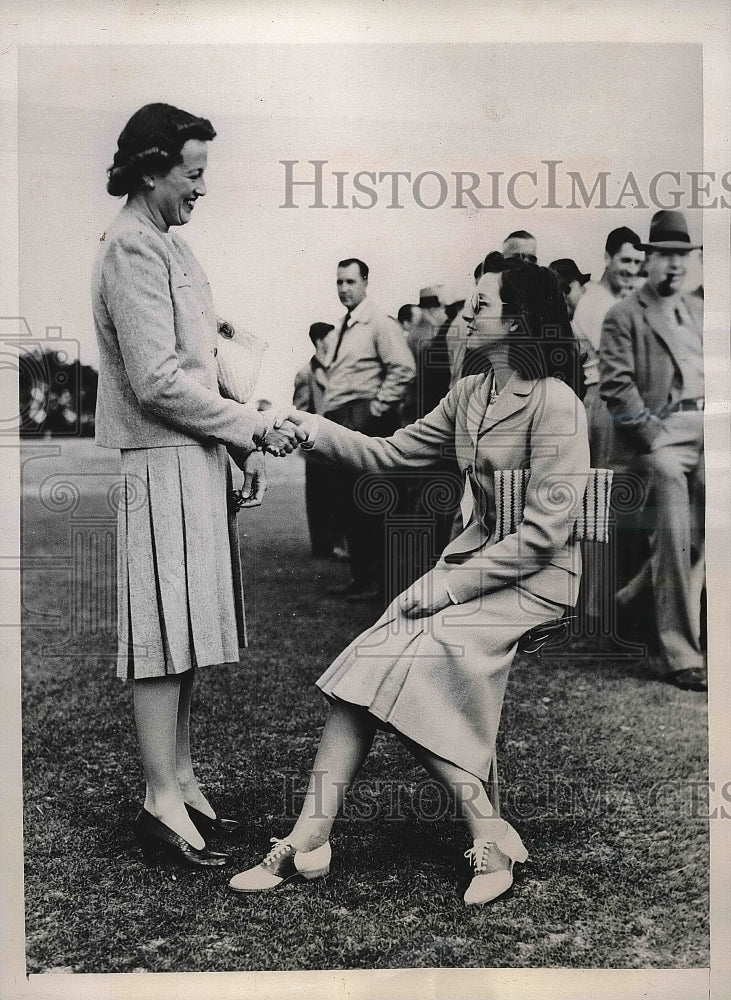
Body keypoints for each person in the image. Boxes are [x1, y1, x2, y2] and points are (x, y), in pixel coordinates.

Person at [229, 258, 589, 906]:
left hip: (539, 579)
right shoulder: (470, 391)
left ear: (516, 320)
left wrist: (445, 588)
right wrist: (307, 426)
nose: (466, 315)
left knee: (418, 654)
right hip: (474, 570)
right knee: (368, 659)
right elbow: (389, 452)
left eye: (481, 305)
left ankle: (486, 834)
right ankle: (309, 835)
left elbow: (543, 537)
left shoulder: (556, 402)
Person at [93, 103, 300, 868]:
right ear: (153, 167)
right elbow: (155, 381)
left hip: (193, 455)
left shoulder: (170, 246)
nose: (201, 188)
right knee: (160, 632)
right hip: (157, 458)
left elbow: (204, 365)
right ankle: (157, 797)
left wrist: (237, 435)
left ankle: (180, 779)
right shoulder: (130, 250)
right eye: (194, 171)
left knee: (184, 631)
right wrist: (247, 429)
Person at [600, 210, 705, 691]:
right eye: (665, 255)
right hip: (655, 438)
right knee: (672, 500)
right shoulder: (623, 314)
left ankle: (632, 596)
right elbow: (617, 389)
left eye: (681, 256)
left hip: (704, 428)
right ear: (648, 259)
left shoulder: (698, 311)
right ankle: (681, 650)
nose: (674, 265)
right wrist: (653, 435)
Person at [322, 258, 416, 601]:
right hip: (343, 416)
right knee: (348, 502)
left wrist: (376, 409)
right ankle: (361, 578)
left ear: (365, 283)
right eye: (339, 282)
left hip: (364, 417)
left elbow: (403, 368)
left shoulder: (378, 322)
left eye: (350, 281)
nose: (344, 289)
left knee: (371, 501)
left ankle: (380, 583)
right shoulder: (344, 325)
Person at [573, 227, 645, 466]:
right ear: (607, 257)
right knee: (603, 480)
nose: (631, 269)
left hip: (618, 396)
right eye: (625, 260)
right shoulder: (595, 302)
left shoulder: (615, 301)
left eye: (637, 262)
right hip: (603, 397)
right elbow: (626, 357)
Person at [293, 322, 342, 558]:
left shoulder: (338, 367)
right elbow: (300, 409)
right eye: (331, 338)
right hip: (316, 446)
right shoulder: (305, 373)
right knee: (319, 499)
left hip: (338, 442)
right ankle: (323, 546)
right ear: (321, 341)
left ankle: (338, 544)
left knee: (337, 496)